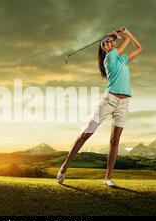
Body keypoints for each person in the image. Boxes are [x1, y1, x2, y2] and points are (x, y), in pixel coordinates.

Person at [57, 26, 143, 187]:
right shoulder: (109, 57)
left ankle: (107, 178)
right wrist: (117, 35)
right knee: (87, 133)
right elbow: (126, 42)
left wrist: (126, 32)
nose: (111, 43)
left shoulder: (122, 59)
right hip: (108, 100)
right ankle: (64, 167)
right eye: (108, 42)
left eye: (112, 42)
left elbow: (139, 47)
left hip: (124, 103)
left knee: (115, 140)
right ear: (104, 48)